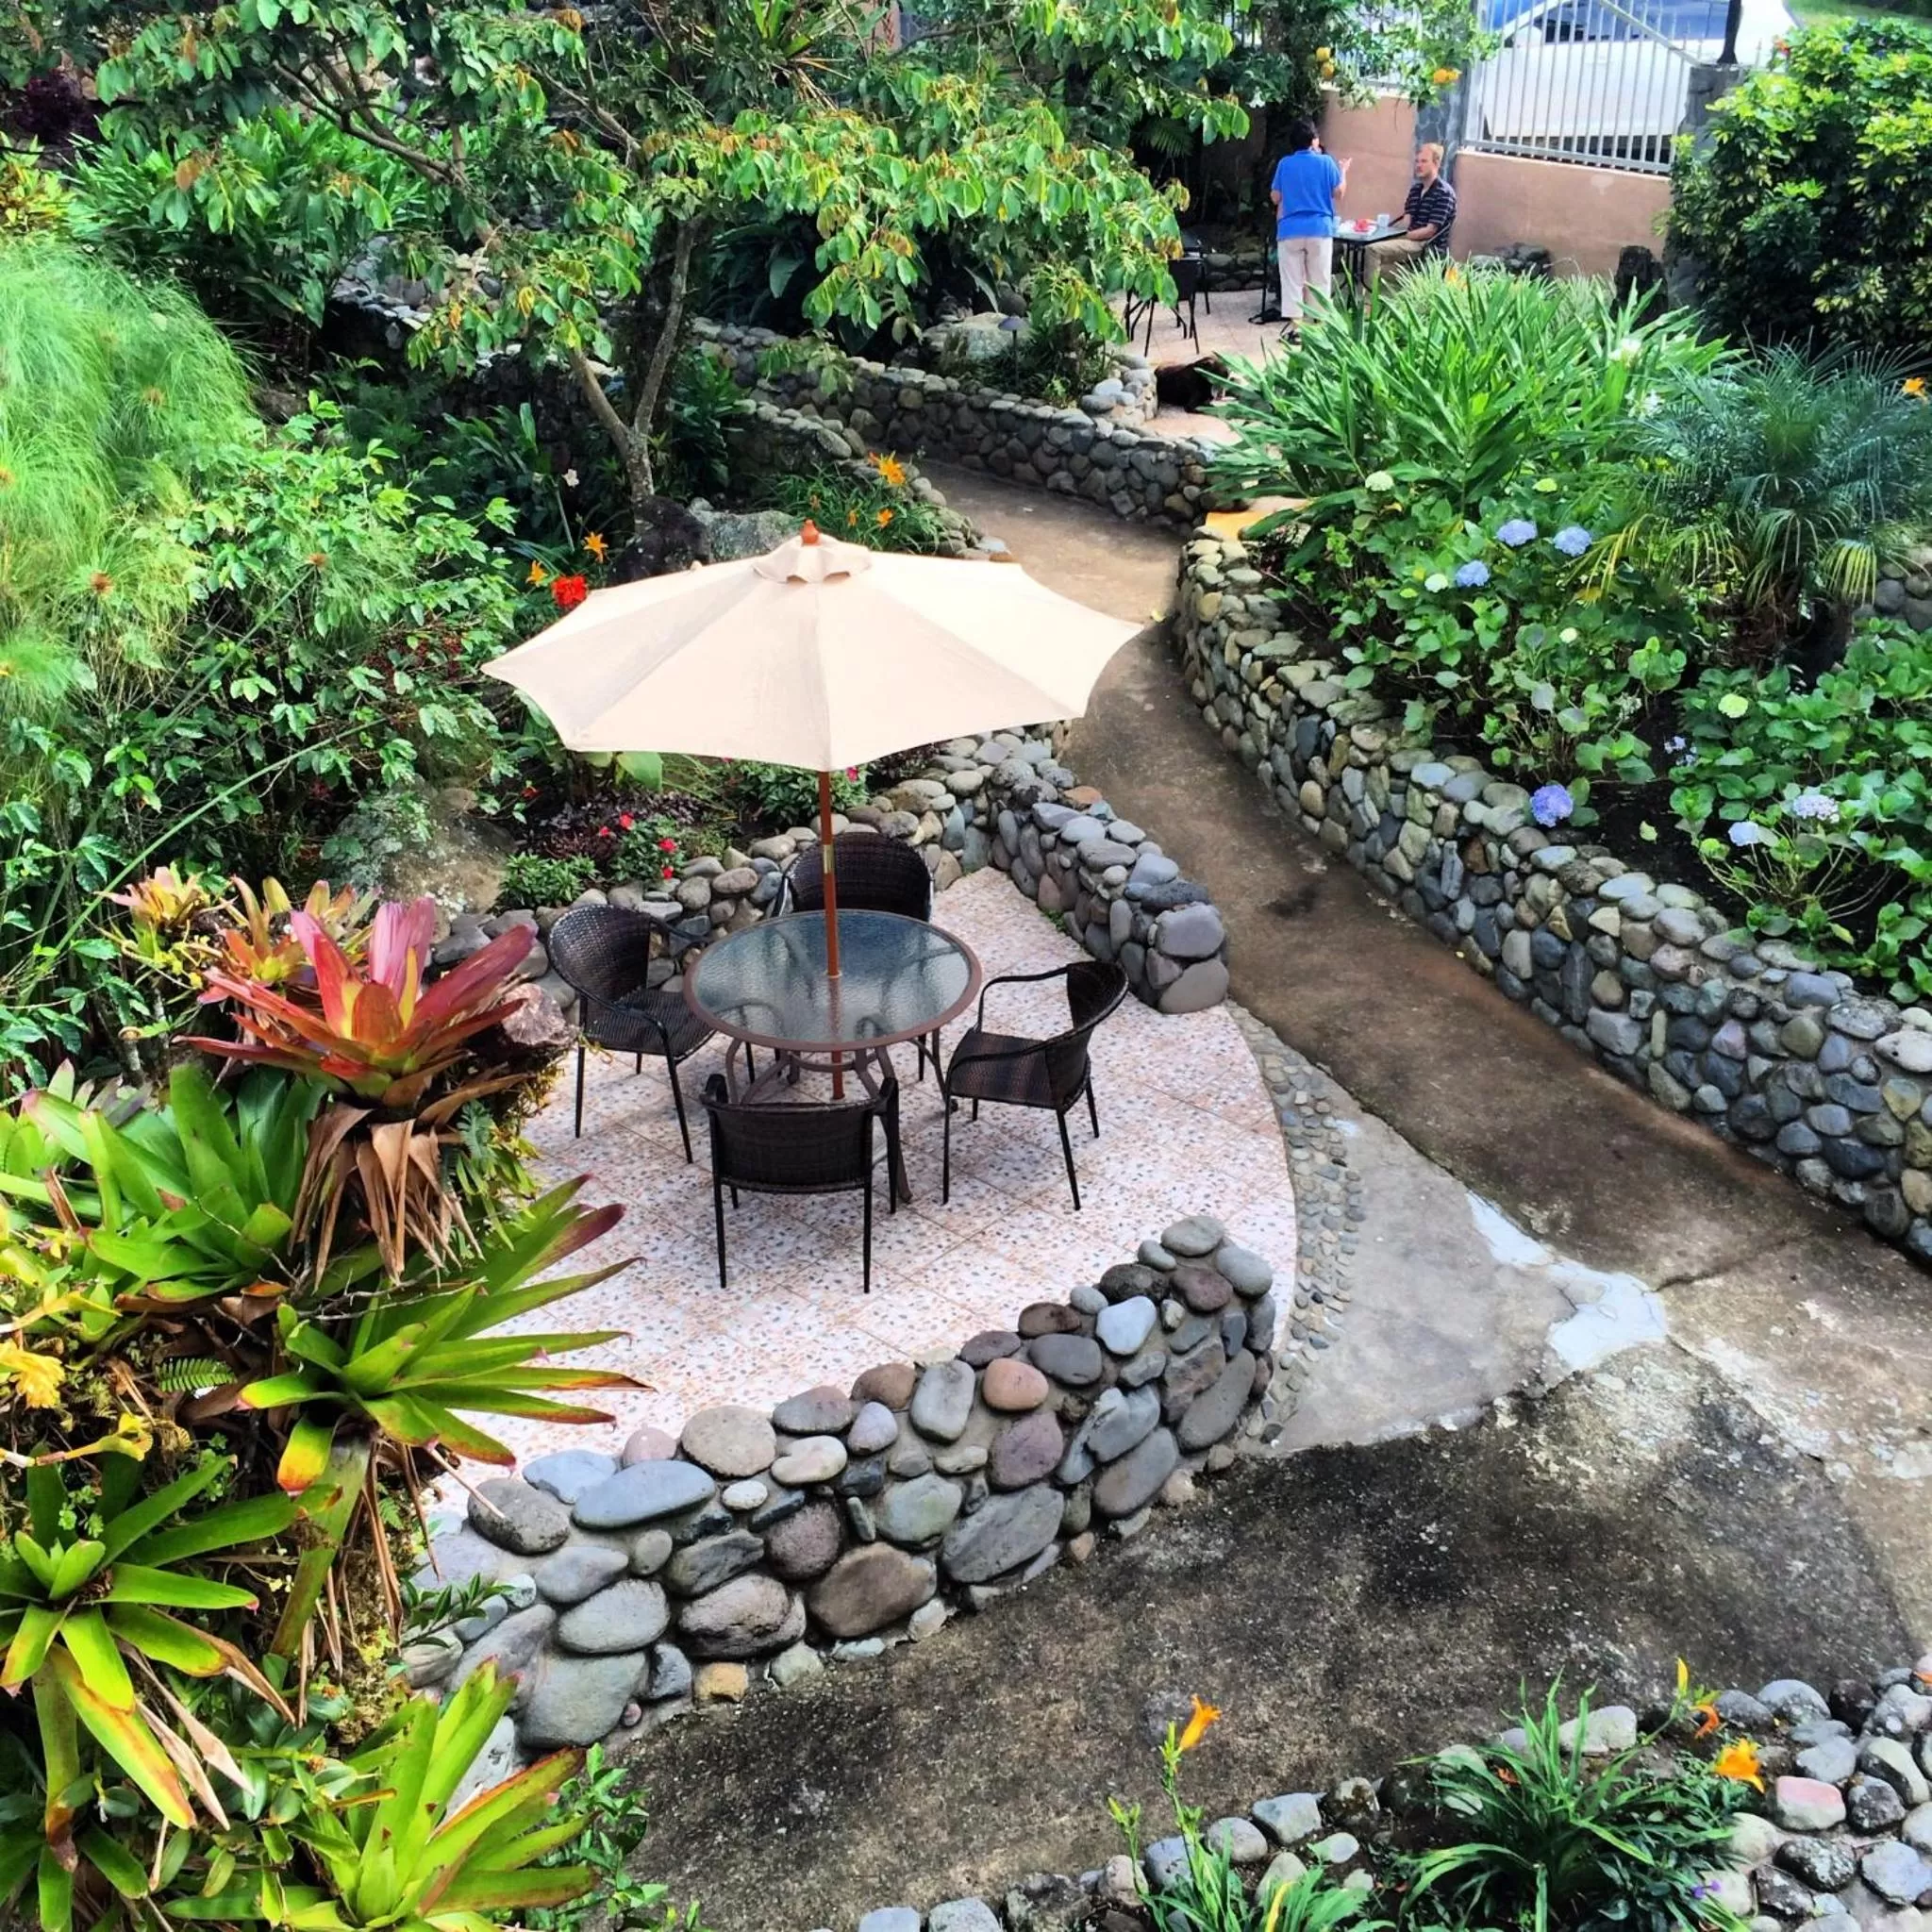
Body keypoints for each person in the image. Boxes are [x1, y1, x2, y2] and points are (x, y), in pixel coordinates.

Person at [1269, 120, 1348, 339]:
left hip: (1290, 230)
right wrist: (1343, 172)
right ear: (1313, 140)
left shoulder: (1284, 164)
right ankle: (1319, 328)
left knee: (1293, 280)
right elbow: (1338, 193)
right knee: (1319, 278)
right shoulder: (1326, 162)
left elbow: (1275, 197)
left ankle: (1297, 330)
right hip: (1320, 229)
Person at [1366, 142, 1457, 287]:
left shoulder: (1444, 193)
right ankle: (1376, 288)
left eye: (1424, 161)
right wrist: (1387, 231)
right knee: (1369, 243)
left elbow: (1430, 231)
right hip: (1410, 239)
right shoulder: (1416, 190)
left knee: (1372, 250)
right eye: (1417, 161)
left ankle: (1368, 301)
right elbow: (1406, 222)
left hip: (1427, 245)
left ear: (1436, 163)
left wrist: (1402, 235)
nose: (1418, 165)